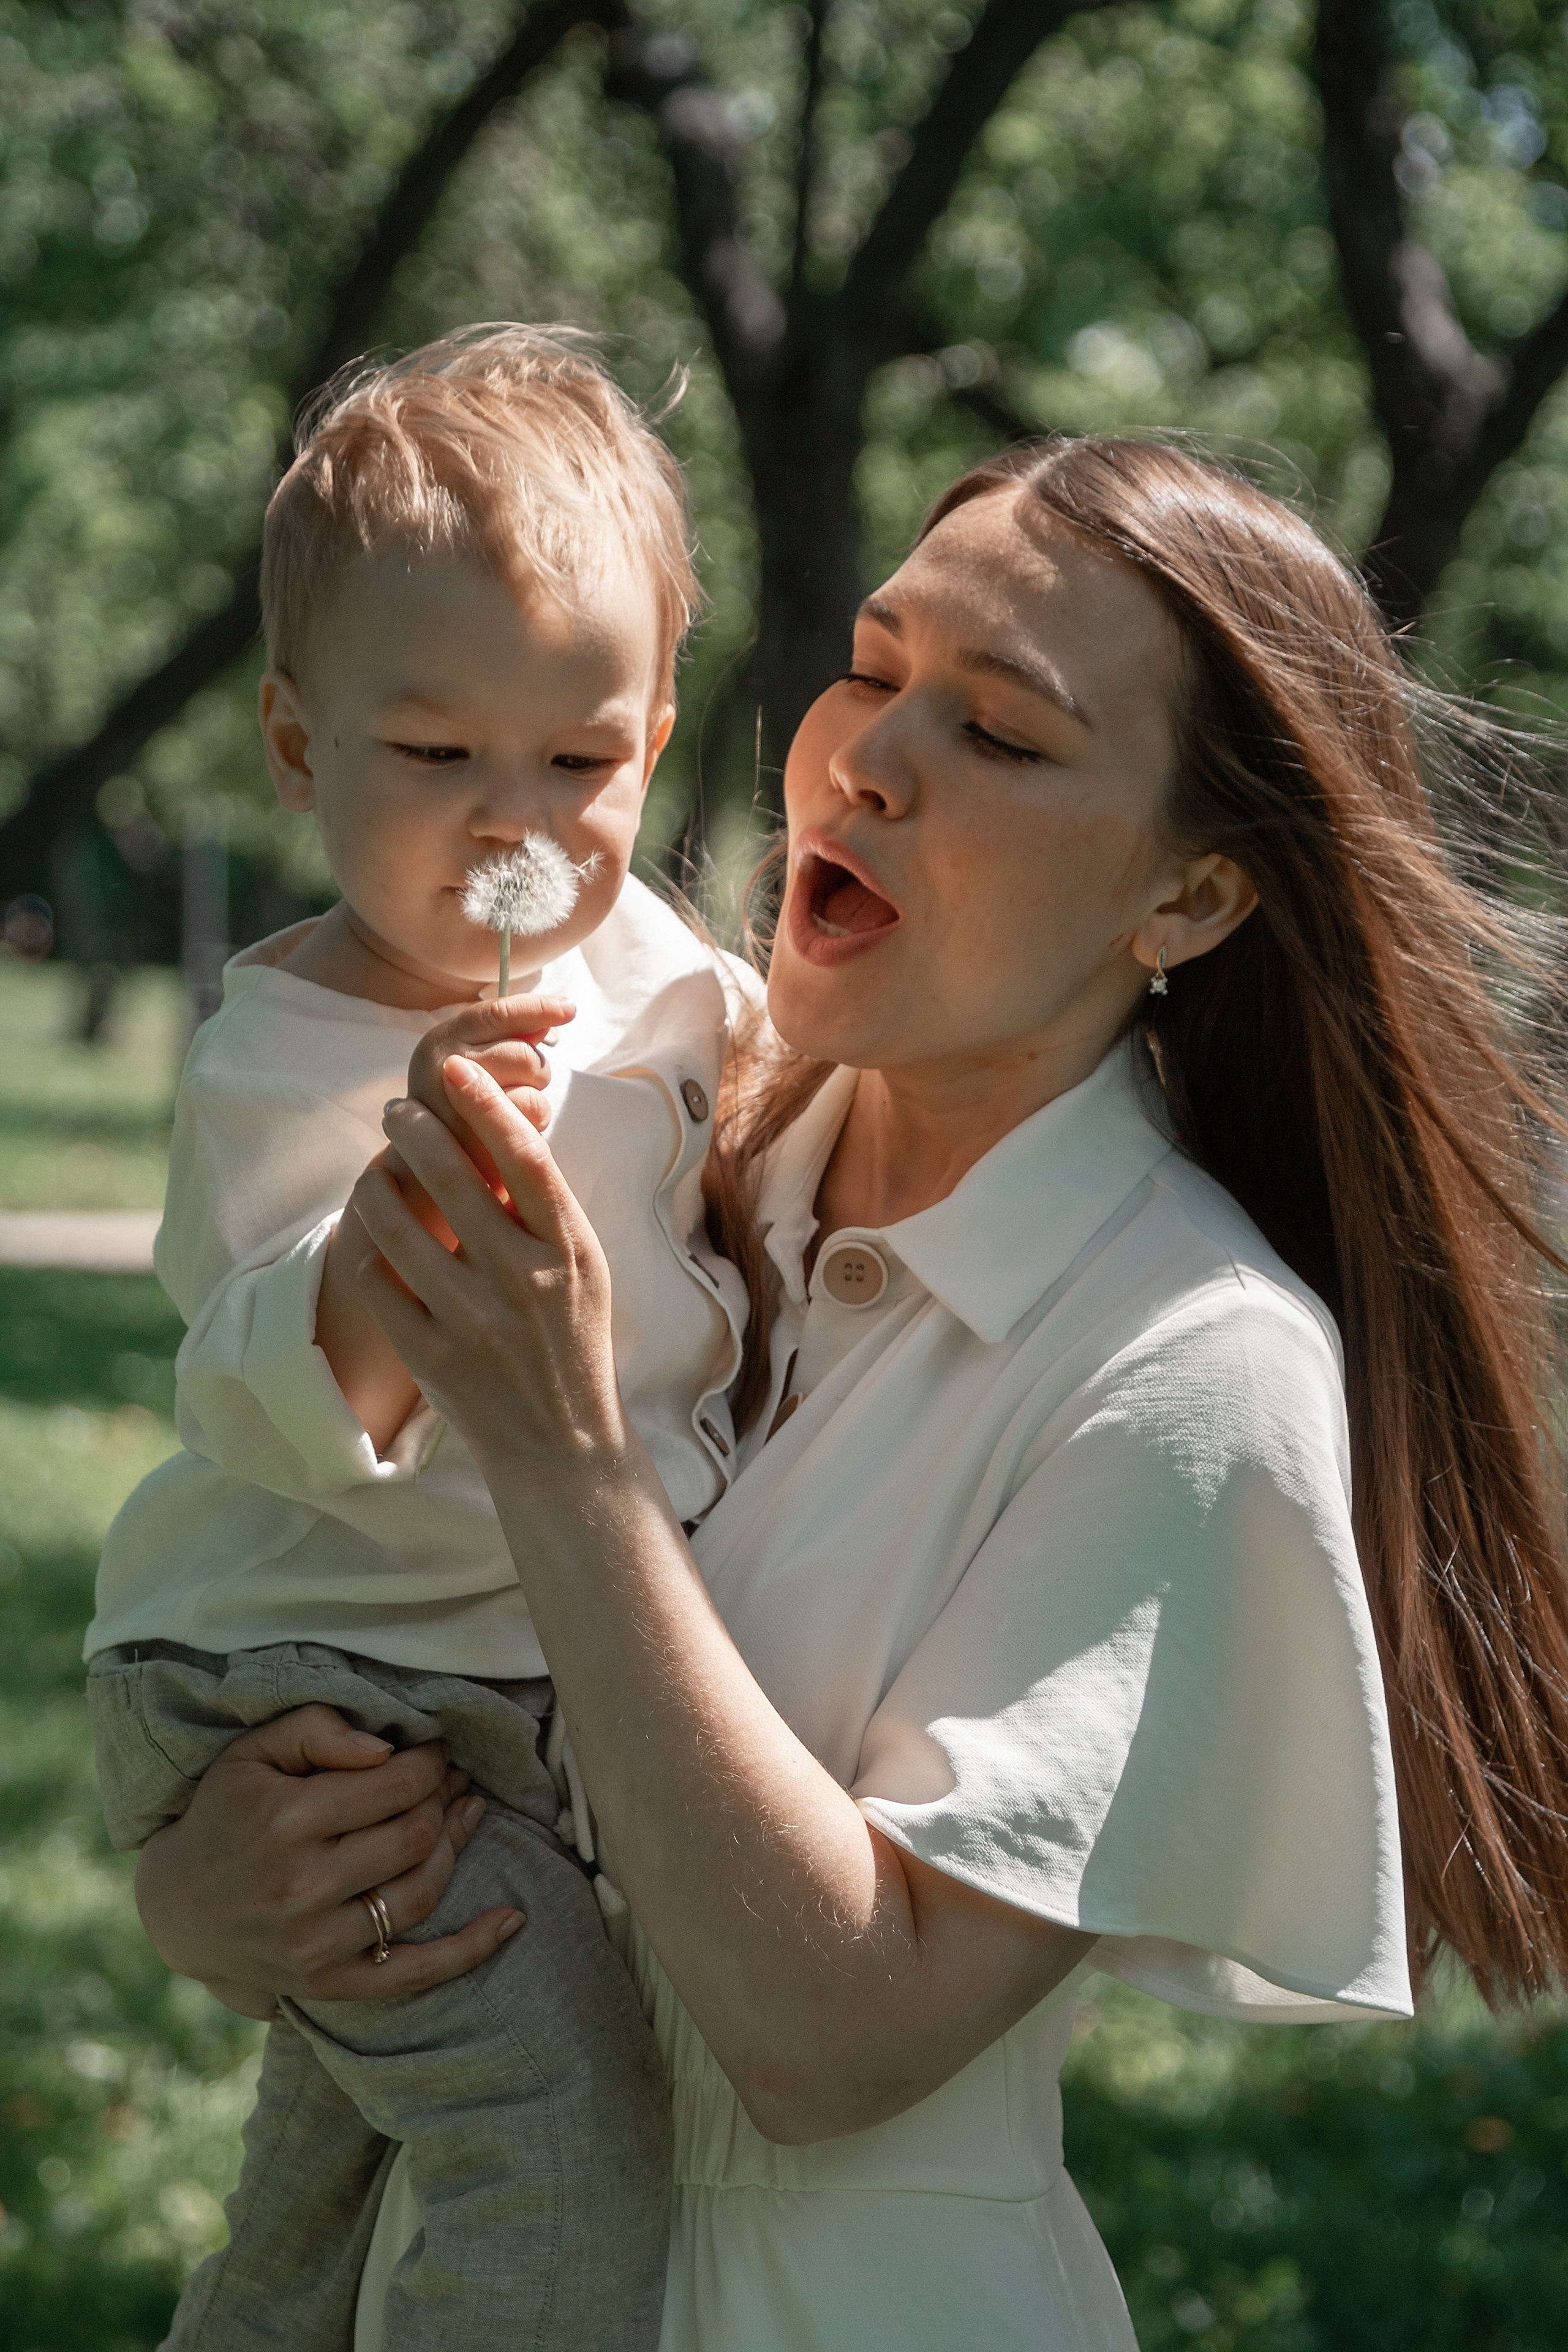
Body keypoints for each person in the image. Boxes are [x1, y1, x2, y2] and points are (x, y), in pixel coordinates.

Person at [133, 440, 1568, 2350]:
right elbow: (348, 1605)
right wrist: (218, 1897)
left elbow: (834, 2036)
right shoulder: (675, 1127)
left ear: (1193, 896)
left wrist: (567, 1453)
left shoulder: (1192, 1361)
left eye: (1004, 734)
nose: (872, 759)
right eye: (877, 666)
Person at [84, 326, 760, 2352]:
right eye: (439, 756)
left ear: (654, 741)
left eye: (582, 761)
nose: (514, 825)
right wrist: (412, 1189)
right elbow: (290, 1396)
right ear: (298, 749)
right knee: (550, 2146)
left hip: (490, 1685)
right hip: (317, 1688)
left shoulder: (657, 972)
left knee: (330, 2187)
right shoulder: (285, 1055)